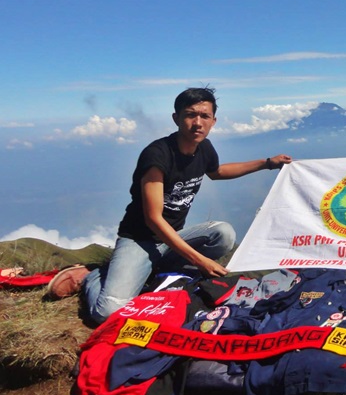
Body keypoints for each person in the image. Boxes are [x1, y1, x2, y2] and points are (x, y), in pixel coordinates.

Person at [48, 87, 292, 323]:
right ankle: (93, 275)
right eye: (190, 115)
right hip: (141, 240)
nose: (198, 122)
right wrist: (199, 260)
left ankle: (153, 270)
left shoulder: (203, 148)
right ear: (176, 118)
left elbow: (217, 172)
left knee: (223, 234)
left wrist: (268, 163)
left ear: (213, 121)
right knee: (108, 312)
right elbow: (153, 219)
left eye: (204, 116)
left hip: (170, 239)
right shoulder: (157, 155)